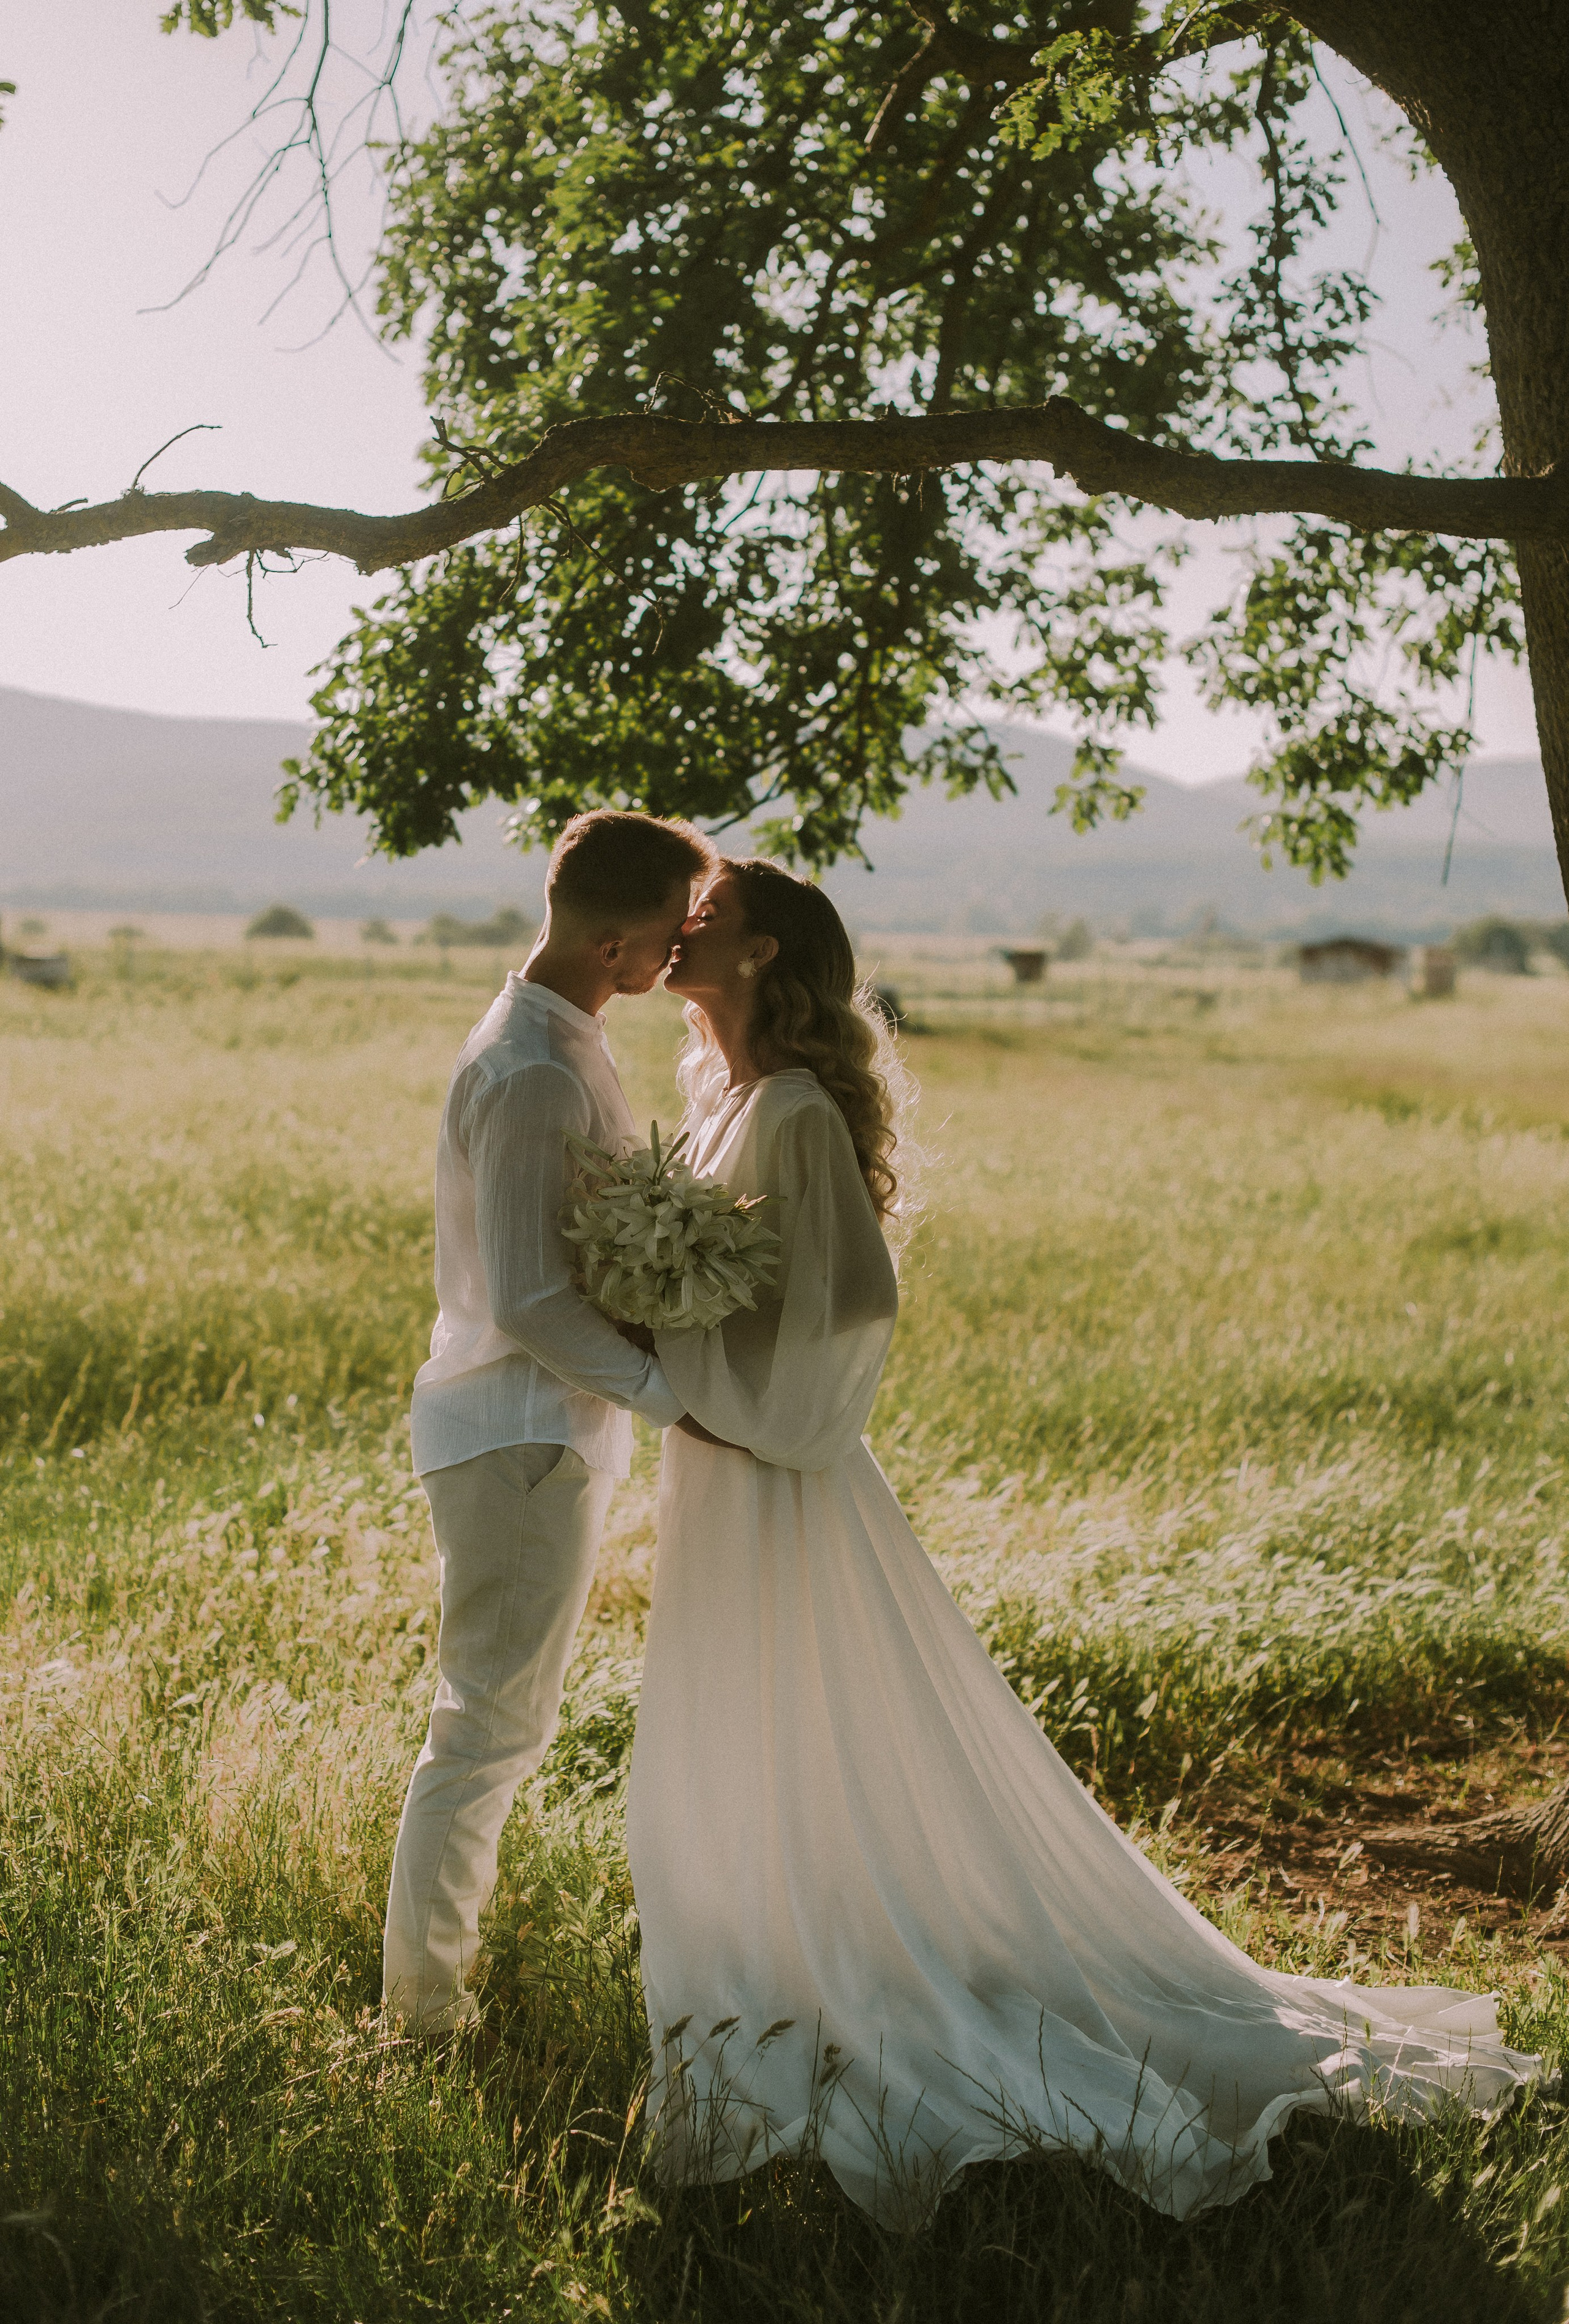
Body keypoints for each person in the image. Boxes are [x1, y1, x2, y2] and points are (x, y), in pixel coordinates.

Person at [625, 857, 1538, 2227]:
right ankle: (777, 1957)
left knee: (793, 1707)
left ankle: (840, 1969)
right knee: (739, 1711)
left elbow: (852, 1298)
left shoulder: (800, 1108)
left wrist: (731, 1391)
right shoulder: (731, 1095)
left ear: (764, 956)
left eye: (706, 923)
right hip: (721, 1460)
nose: (679, 938)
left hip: (766, 1467)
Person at [383, 810, 713, 2037]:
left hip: (532, 1431)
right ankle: (422, 2014)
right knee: (486, 1736)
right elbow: (526, 1298)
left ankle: (429, 1990)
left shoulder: (561, 1035)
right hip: (516, 1434)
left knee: (495, 1731)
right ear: (622, 941)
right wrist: (674, 1395)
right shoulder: (532, 1067)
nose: (677, 957)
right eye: (672, 934)